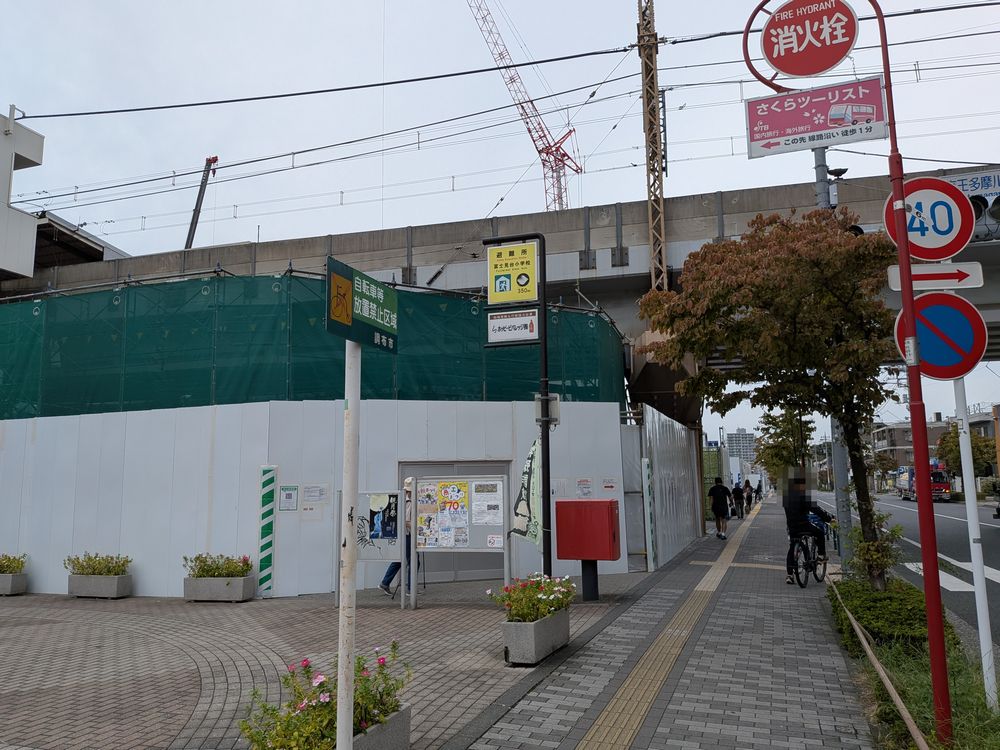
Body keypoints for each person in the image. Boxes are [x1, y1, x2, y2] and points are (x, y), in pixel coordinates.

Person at [783, 473, 833, 584]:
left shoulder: (786, 497)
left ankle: (790, 575)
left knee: (792, 548)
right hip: (804, 525)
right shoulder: (803, 495)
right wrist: (828, 519)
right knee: (819, 532)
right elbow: (815, 509)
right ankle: (821, 555)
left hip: (792, 527)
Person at [380, 477, 415, 595]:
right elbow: (404, 520)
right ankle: (411, 589)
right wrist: (414, 525)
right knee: (414, 561)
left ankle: (385, 583)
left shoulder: (407, 499)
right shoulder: (404, 501)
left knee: (399, 559)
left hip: (406, 533)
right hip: (406, 533)